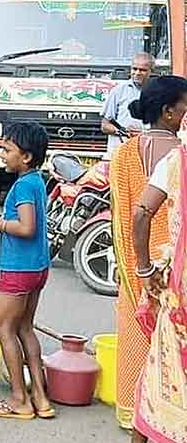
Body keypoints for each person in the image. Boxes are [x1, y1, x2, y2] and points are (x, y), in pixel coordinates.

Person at [109, 76, 186, 429]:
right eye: (185, 107)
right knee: (169, 347)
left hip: (135, 261)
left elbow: (130, 212)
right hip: (171, 264)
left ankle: (134, 409)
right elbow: (147, 211)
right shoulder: (177, 155)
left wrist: (139, 265)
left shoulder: (125, 151)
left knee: (139, 335)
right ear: (169, 112)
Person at [0, 122, 55, 420]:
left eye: (6, 150)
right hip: (38, 267)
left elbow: (26, 227)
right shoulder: (36, 180)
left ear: (25, 157)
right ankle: (40, 396)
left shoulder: (22, 185)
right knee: (25, 328)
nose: (2, 155)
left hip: (18, 269)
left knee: (4, 329)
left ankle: (19, 400)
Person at [102, 53, 154, 158]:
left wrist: (144, 133)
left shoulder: (157, 93)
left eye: (142, 70)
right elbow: (105, 125)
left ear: (151, 71)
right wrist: (123, 131)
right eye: (134, 69)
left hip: (146, 154)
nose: (137, 73)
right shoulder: (118, 91)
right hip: (120, 154)